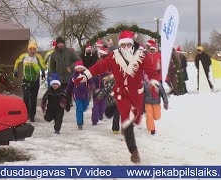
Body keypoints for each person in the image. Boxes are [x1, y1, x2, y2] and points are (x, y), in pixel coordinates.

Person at [74, 30, 160, 163]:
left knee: (135, 117)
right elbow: (99, 67)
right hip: (122, 94)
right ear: (119, 45)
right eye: (123, 45)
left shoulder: (141, 56)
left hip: (136, 94)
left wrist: (154, 82)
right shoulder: (113, 56)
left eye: (128, 45)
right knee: (127, 121)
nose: (125, 47)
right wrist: (85, 75)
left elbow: (151, 71)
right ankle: (134, 151)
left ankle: (128, 132)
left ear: (132, 45)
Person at [13, 40, 47, 122]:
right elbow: (17, 62)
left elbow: (43, 65)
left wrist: (42, 71)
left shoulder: (38, 57)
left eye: (34, 49)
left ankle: (32, 115)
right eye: (30, 49)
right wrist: (15, 70)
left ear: (36, 50)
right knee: (26, 98)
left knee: (33, 98)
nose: (32, 50)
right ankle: (27, 113)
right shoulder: (23, 56)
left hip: (35, 81)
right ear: (28, 49)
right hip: (25, 80)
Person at [66, 61, 93, 130]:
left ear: (83, 69)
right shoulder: (73, 76)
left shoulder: (86, 75)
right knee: (79, 109)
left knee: (84, 107)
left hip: (85, 94)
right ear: (76, 69)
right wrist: (67, 90)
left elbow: (91, 81)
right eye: (78, 68)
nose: (79, 70)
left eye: (81, 68)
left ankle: (81, 118)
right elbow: (70, 84)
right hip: (77, 95)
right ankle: (79, 123)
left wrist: (92, 86)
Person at [90, 47, 110, 126]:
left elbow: (109, 82)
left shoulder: (106, 74)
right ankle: (94, 120)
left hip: (104, 92)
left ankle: (101, 114)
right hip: (96, 93)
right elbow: (91, 81)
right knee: (96, 107)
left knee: (103, 107)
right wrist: (93, 88)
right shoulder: (94, 74)